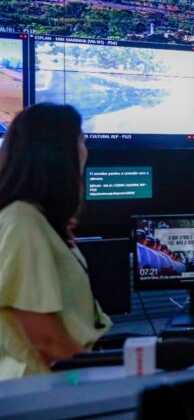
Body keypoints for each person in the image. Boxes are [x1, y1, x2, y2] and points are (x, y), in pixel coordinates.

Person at [0, 103, 111, 380]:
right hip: (41, 388)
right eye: (81, 140)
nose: (85, 151)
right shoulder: (22, 223)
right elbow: (46, 341)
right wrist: (95, 383)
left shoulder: (37, 220)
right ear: (59, 153)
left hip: (57, 383)